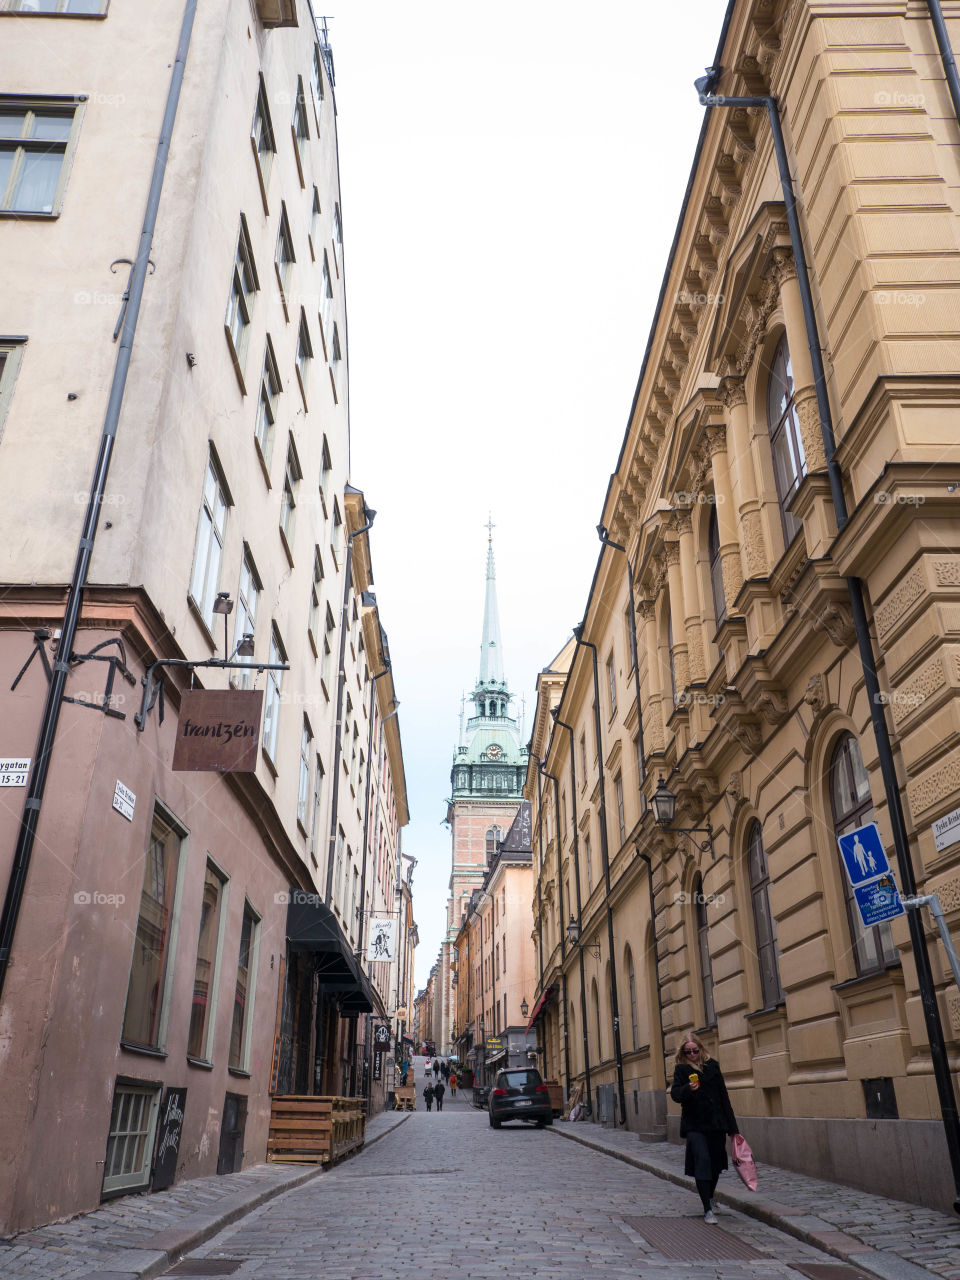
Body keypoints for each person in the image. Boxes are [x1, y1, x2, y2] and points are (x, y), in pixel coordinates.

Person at [670, 1034, 739, 1225]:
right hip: (695, 1124)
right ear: (683, 1053)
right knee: (703, 1161)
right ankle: (707, 1209)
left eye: (695, 1050)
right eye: (688, 1051)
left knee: (716, 1165)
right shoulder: (681, 1070)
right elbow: (675, 1095)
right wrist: (688, 1089)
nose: (692, 1054)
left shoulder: (713, 1066)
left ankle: (709, 1196)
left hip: (716, 1123)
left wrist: (733, 1128)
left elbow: (724, 1097)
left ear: (700, 1049)